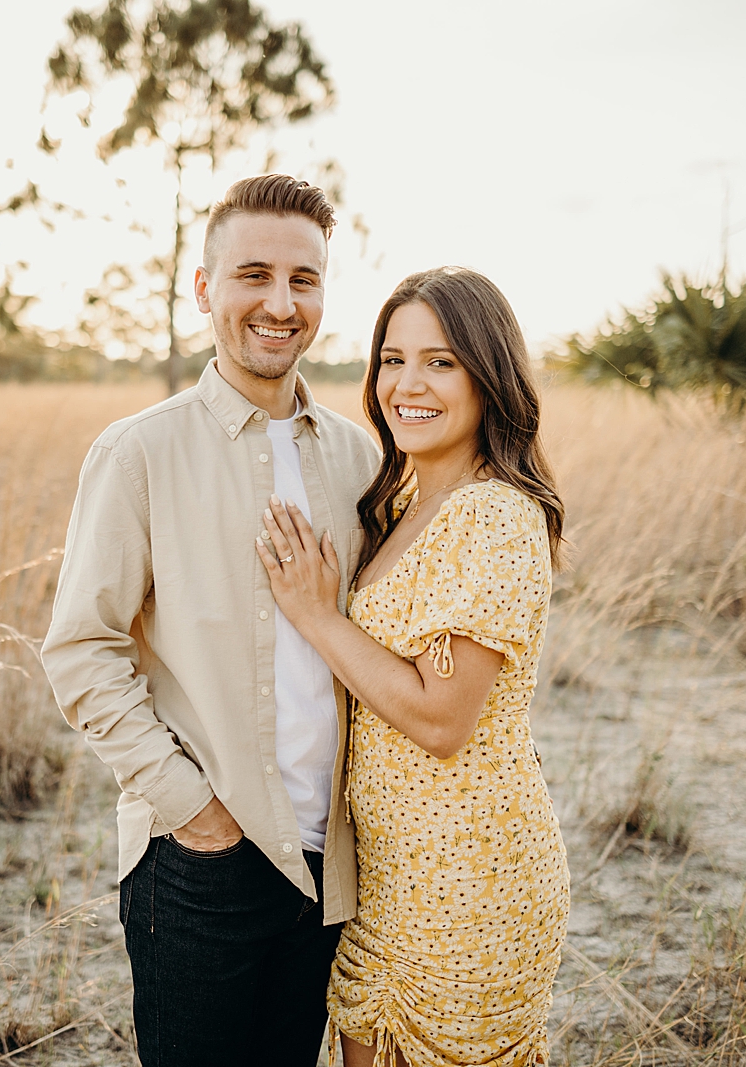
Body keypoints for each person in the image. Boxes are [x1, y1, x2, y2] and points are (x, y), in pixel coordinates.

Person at [41, 174, 379, 1067]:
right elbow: (81, 650)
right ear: (204, 289)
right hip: (201, 864)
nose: (279, 303)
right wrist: (194, 810)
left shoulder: (360, 456)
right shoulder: (139, 451)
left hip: (329, 865)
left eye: (303, 279)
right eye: (253, 274)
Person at [257, 267, 570, 1067]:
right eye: (392, 359)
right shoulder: (402, 503)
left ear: (487, 375)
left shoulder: (496, 514)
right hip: (389, 879)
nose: (408, 384)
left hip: (471, 878)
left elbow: (441, 716)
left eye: (440, 361)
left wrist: (318, 615)